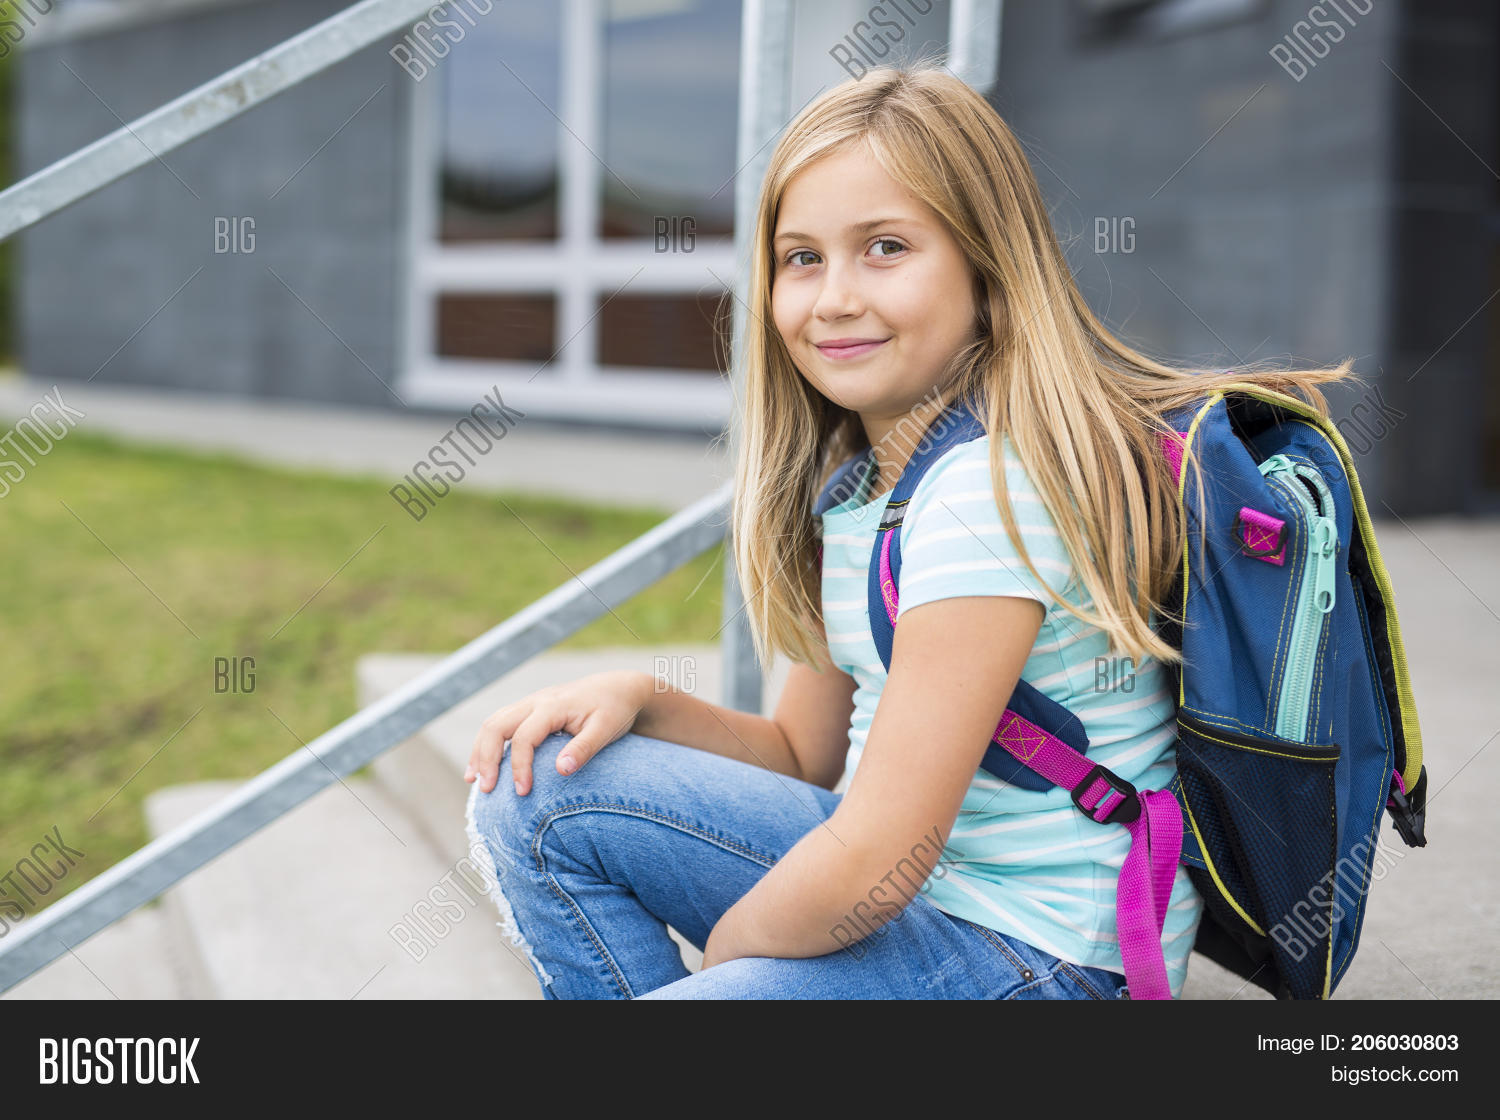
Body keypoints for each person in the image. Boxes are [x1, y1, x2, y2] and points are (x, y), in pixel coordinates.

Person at [463, 63, 1355, 999]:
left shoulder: (987, 492)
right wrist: (645, 696)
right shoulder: (857, 494)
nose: (834, 297)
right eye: (801, 257)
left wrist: (728, 966)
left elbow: (879, 861)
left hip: (1044, 958)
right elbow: (805, 759)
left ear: (986, 267)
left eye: (884, 247)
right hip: (925, 900)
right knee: (536, 788)